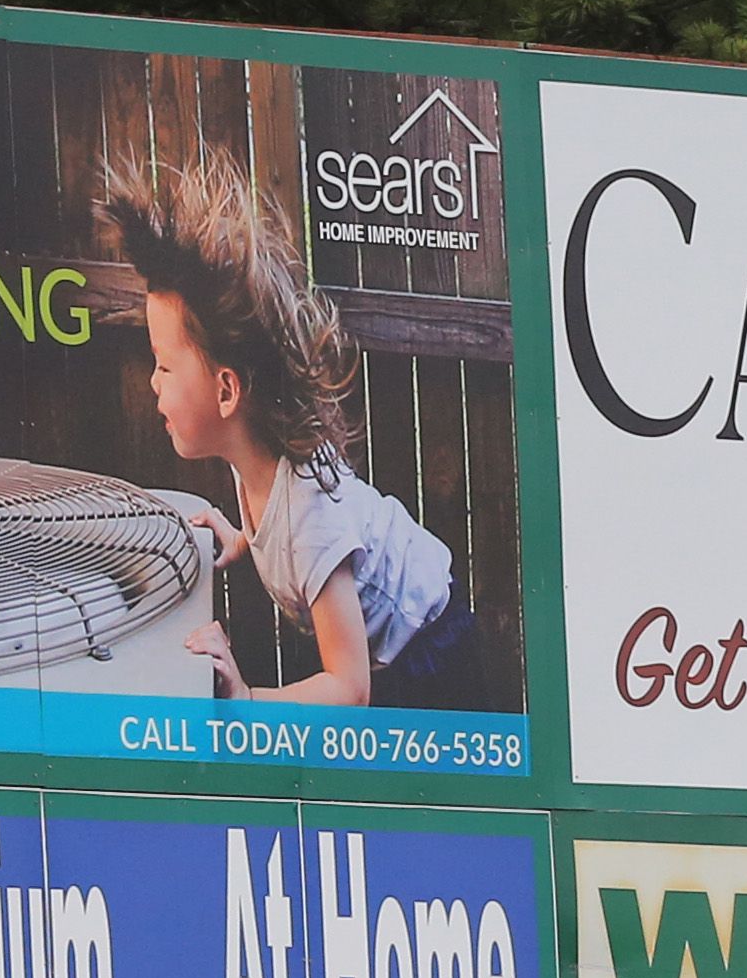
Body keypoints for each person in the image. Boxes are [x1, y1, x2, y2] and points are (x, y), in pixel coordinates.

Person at [97, 150, 500, 710]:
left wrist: (248, 697)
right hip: (396, 650)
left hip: (429, 658)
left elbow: (349, 688)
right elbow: (278, 530)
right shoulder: (258, 463)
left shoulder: (312, 520)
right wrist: (241, 540)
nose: (152, 383)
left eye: (164, 365)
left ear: (227, 391)